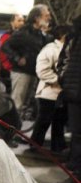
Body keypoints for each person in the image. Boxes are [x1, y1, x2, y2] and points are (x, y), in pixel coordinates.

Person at [1, 4, 52, 114]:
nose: (49, 18)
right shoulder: (23, 32)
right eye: (46, 15)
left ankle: (14, 128)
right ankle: (8, 129)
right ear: (37, 18)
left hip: (32, 72)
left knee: (22, 105)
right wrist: (17, 58)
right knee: (16, 104)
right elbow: (5, 46)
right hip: (21, 73)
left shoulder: (41, 34)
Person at [28, 25, 70, 154]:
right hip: (48, 92)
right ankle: (35, 145)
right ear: (63, 35)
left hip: (59, 92)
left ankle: (57, 147)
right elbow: (42, 70)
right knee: (44, 120)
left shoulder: (66, 49)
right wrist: (58, 80)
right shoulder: (50, 49)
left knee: (59, 121)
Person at [56, 7, 81, 183]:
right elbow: (64, 59)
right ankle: (76, 176)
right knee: (77, 135)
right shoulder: (76, 32)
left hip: (74, 90)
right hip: (75, 90)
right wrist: (64, 80)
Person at [0, 14, 25, 93]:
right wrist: (9, 66)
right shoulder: (6, 36)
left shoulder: (25, 35)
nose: (22, 23)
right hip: (8, 70)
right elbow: (2, 53)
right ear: (12, 23)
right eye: (19, 21)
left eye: (23, 21)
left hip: (20, 70)